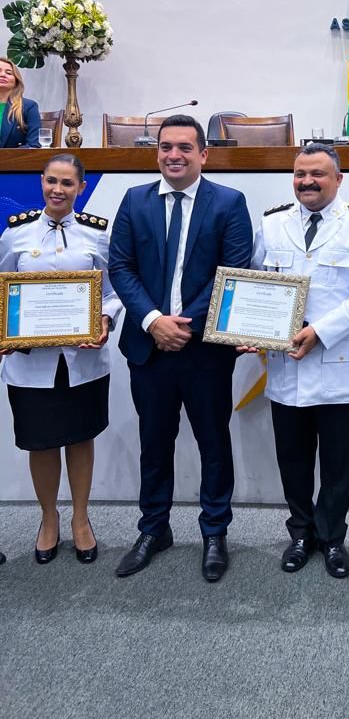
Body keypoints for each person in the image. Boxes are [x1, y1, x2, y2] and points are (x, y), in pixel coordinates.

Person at [108, 115, 252, 582]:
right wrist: (153, 321)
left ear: (203, 154)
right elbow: (121, 267)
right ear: (157, 153)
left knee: (214, 442)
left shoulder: (229, 202)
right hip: (148, 347)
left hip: (204, 350)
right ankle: (154, 528)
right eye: (166, 147)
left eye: (185, 148)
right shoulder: (134, 201)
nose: (174, 155)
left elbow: (233, 270)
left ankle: (214, 532)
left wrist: (182, 324)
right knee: (154, 442)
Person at [247, 144, 349, 579]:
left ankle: (332, 538)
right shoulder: (271, 224)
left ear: (338, 179)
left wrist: (319, 331)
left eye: (318, 174)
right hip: (286, 367)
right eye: (300, 174)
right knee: (293, 458)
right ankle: (301, 533)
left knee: (337, 462)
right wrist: (253, 330)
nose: (307, 181)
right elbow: (255, 284)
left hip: (338, 364)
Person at [0, 153, 120, 563]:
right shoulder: (15, 234)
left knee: (80, 436)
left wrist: (105, 318)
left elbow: (114, 291)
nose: (57, 189)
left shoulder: (97, 235)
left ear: (80, 188)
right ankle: (48, 519)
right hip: (30, 362)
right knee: (42, 442)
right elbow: (3, 292)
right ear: (41, 181)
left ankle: (81, 520)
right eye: (51, 180)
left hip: (82, 358)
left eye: (67, 183)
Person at [0, 57, 41, 148]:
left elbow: (33, 145)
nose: (3, 75)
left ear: (16, 81)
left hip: (13, 161)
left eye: (9, 73)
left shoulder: (29, 107)